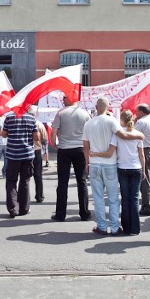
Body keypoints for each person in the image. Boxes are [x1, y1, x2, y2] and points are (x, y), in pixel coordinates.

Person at [83, 97, 143, 235]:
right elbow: (124, 135)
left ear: (96, 107)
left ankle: (102, 227)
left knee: (97, 197)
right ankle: (115, 227)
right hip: (110, 164)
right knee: (113, 198)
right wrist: (140, 136)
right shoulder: (112, 121)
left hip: (95, 164)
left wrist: (88, 161)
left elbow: (85, 146)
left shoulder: (88, 123)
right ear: (108, 107)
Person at [50, 94, 91, 222]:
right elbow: (89, 132)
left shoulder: (61, 113)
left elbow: (53, 132)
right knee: (82, 181)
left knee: (63, 182)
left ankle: (60, 214)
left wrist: (55, 145)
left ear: (69, 99)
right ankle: (84, 213)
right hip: (80, 149)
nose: (62, 100)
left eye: (64, 98)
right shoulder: (85, 114)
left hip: (64, 149)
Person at [2, 107, 39, 218]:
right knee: (25, 181)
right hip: (27, 155)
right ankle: (24, 208)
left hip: (13, 155)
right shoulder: (31, 119)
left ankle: (13, 208)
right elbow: (36, 137)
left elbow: (4, 134)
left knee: (11, 182)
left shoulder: (9, 118)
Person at [33, 119, 48, 203]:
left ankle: (23, 196)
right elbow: (44, 138)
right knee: (38, 174)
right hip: (37, 150)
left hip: (25, 150)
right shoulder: (39, 124)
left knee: (24, 176)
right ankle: (39, 195)